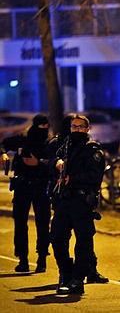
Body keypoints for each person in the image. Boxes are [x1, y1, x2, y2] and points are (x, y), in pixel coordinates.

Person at [47, 114, 109, 284]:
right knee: (57, 239)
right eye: (74, 126)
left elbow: (94, 175)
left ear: (88, 129)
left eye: (81, 127)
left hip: (82, 201)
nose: (77, 129)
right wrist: (57, 163)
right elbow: (51, 162)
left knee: (83, 242)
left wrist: (71, 178)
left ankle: (78, 278)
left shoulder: (93, 149)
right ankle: (66, 272)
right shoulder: (65, 146)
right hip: (63, 200)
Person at [0, 114, 51, 273]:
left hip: (41, 187)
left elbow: (55, 162)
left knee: (42, 224)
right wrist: (3, 153)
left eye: (44, 127)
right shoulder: (23, 139)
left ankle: (42, 258)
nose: (42, 130)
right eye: (39, 126)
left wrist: (39, 163)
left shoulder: (49, 143)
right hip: (22, 185)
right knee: (20, 224)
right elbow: (4, 144)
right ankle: (23, 259)